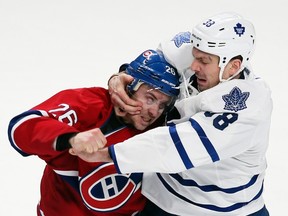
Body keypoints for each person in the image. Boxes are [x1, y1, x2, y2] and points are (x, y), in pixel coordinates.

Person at [76, 12, 272, 215]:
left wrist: (108, 153)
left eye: (204, 61)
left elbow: (175, 147)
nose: (194, 65)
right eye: (195, 56)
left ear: (233, 66)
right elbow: (150, 66)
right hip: (163, 198)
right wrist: (121, 77)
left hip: (229, 209)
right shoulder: (196, 53)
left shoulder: (249, 108)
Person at [7, 49, 180, 216]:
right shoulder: (92, 104)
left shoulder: (163, 124)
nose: (154, 112)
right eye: (150, 99)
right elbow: (22, 126)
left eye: (162, 105)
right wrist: (72, 138)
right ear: (129, 86)